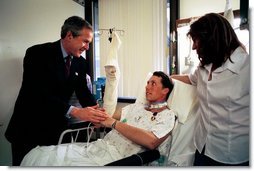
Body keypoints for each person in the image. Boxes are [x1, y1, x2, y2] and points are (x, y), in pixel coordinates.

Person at [5, 16, 109, 166]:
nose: (87, 47)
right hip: (29, 128)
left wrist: (97, 114)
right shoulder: (37, 54)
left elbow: (83, 92)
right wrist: (75, 111)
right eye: (85, 41)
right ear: (69, 35)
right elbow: (37, 93)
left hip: (56, 130)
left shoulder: (80, 62)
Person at [20, 71, 176, 166]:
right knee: (39, 155)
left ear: (165, 90)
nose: (147, 87)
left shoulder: (167, 115)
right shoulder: (135, 107)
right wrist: (97, 116)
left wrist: (113, 123)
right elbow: (108, 117)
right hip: (99, 148)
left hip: (120, 160)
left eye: (153, 84)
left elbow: (151, 141)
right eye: (147, 83)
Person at [171, 13, 249, 166]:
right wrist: (165, 77)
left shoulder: (247, 67)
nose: (193, 47)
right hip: (202, 147)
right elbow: (190, 79)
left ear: (212, 39)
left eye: (196, 40)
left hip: (231, 156)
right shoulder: (205, 67)